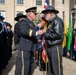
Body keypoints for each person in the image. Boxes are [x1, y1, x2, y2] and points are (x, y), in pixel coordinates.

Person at [15, 6, 45, 75]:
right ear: (30, 14)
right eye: (35, 14)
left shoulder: (31, 23)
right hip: (25, 47)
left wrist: (37, 40)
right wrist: (37, 33)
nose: (36, 15)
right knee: (24, 67)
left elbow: (31, 35)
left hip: (31, 47)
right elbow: (24, 32)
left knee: (30, 66)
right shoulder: (24, 21)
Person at [41, 6, 64, 75]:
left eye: (46, 14)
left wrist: (45, 34)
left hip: (55, 47)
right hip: (51, 46)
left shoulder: (57, 20)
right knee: (51, 68)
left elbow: (58, 34)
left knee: (56, 68)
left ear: (51, 13)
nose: (44, 16)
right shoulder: (51, 22)